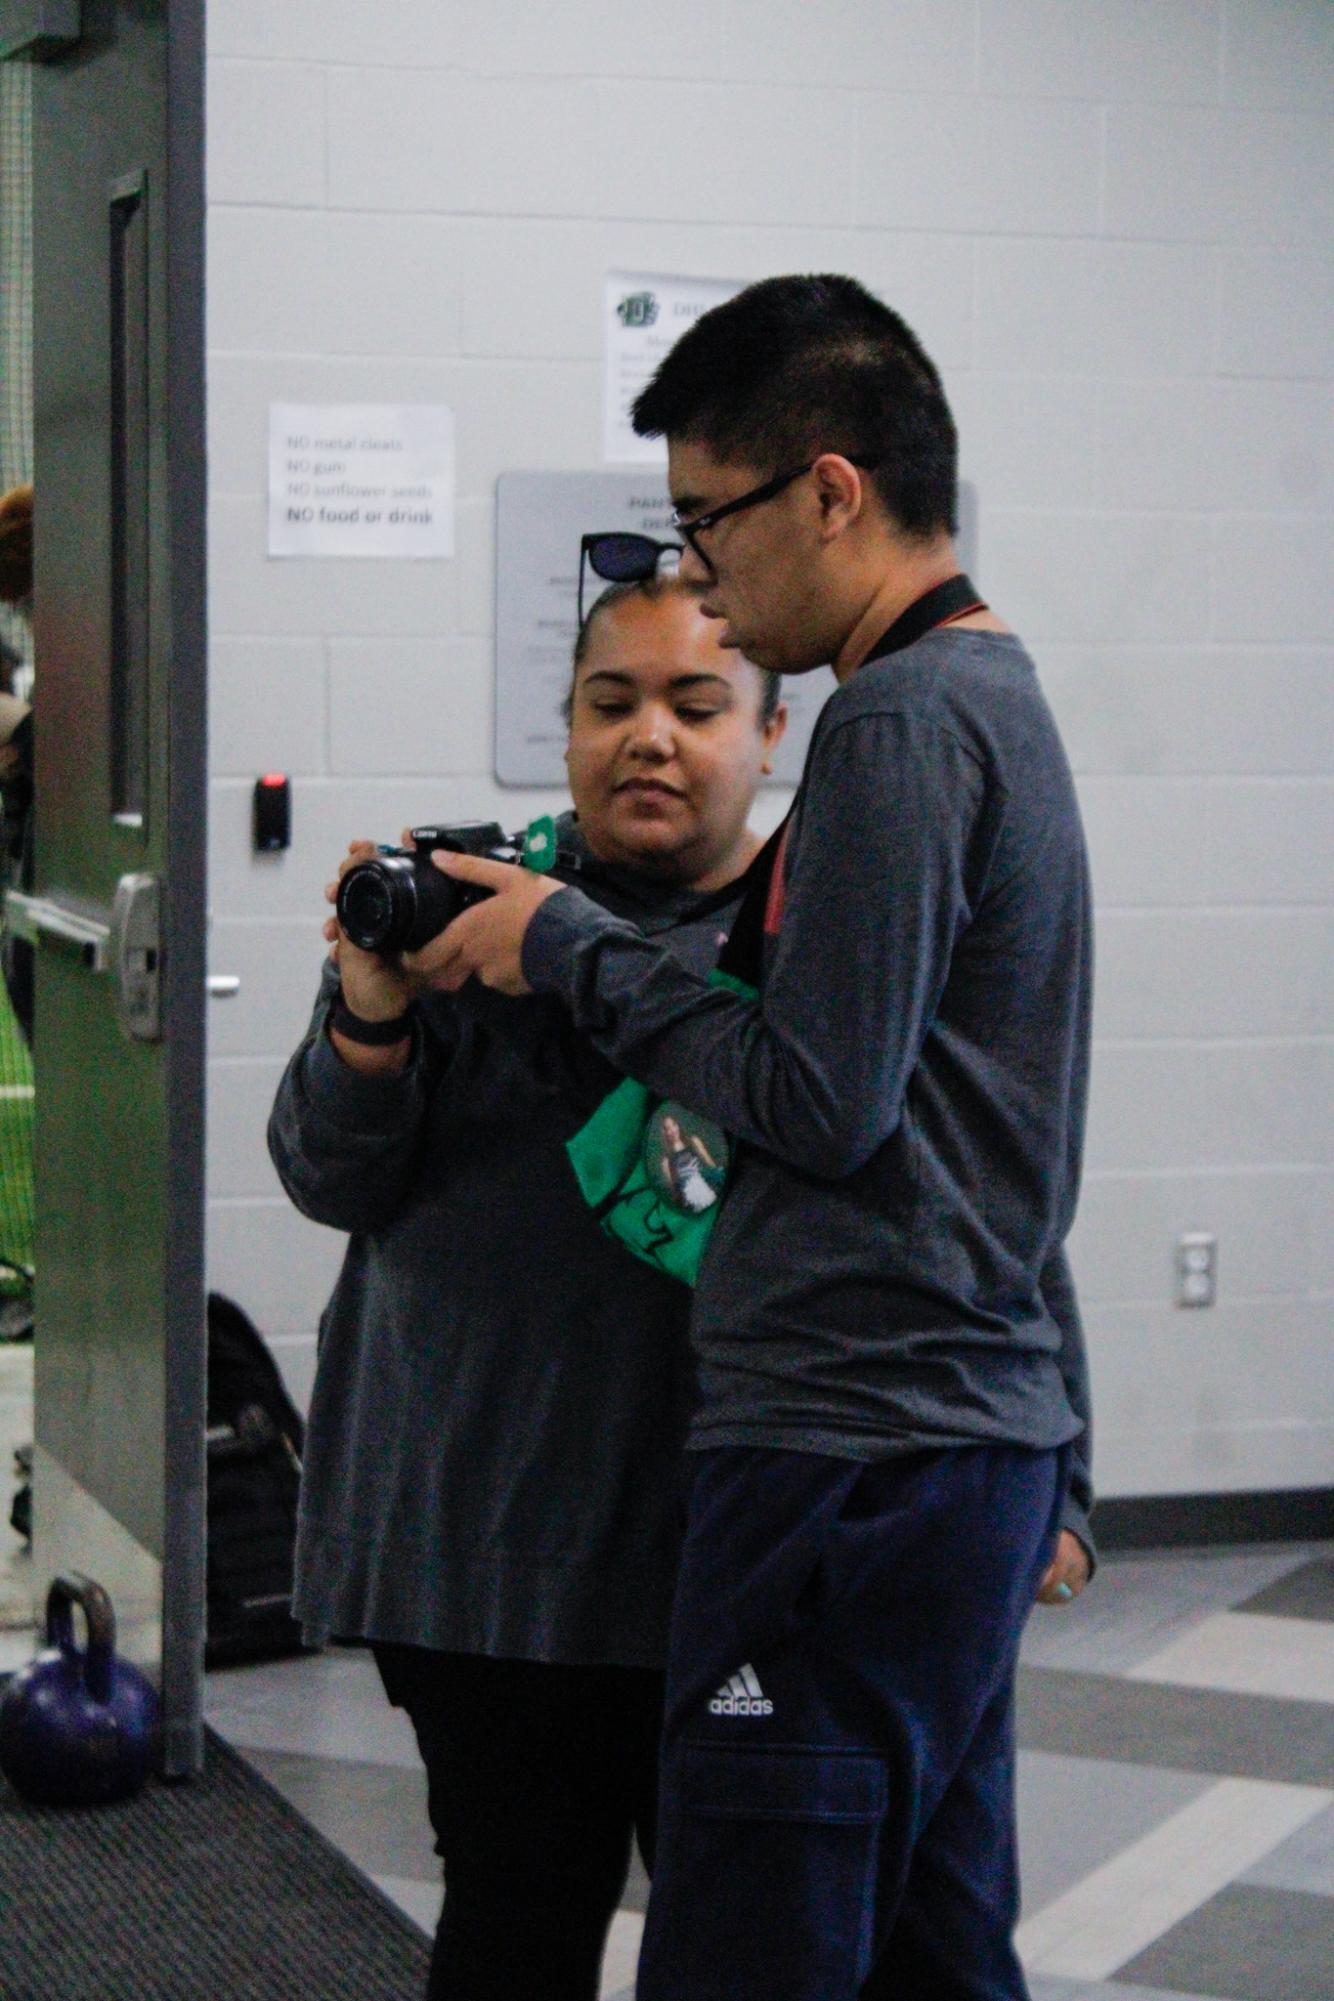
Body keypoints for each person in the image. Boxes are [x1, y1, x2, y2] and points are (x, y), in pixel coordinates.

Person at [422, 274, 1095, 2001]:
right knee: (934, 1950)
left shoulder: (897, 721)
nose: (699, 572)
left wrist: (568, 946)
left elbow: (820, 1095)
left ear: (830, 491)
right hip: (938, 1450)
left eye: (709, 521)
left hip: (845, 1461)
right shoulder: (982, 697)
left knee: (754, 1951)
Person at [267, 573, 785, 2001]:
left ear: (770, 727)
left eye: (696, 704)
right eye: (609, 703)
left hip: (730, 1558)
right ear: (562, 729)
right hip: (490, 1562)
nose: (650, 739)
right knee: (512, 1923)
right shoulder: (459, 911)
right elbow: (328, 1176)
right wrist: (372, 1018)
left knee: (747, 1942)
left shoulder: (815, 945)